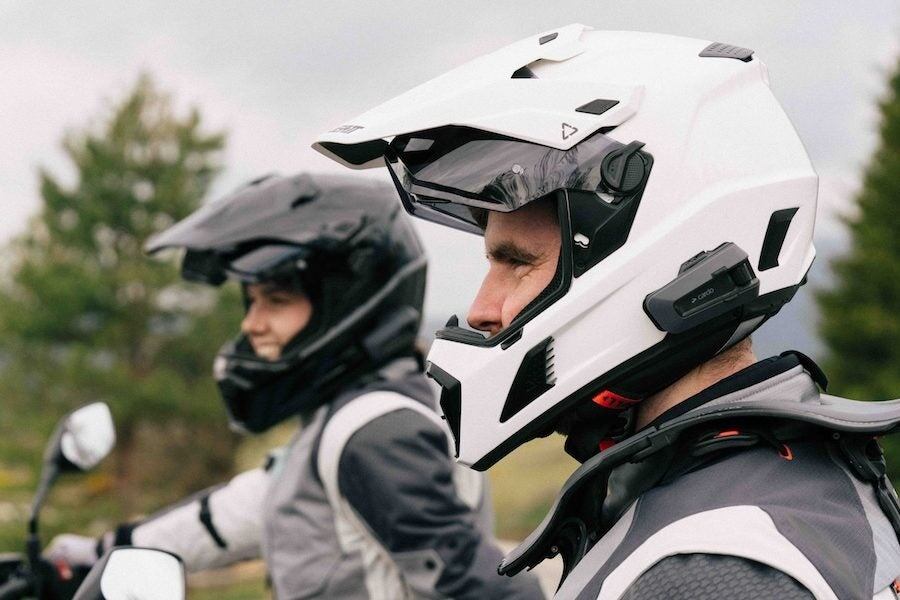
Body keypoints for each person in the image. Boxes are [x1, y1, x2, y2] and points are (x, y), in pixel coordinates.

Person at [313, 25, 900, 599]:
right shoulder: (788, 483)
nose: (482, 309)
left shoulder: (709, 564)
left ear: (661, 254)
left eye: (517, 262)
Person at [47, 173, 545, 599]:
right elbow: (232, 515)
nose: (252, 324)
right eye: (252, 301)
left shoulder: (375, 434)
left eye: (276, 301)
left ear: (345, 304)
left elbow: (482, 586)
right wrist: (98, 553)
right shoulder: (344, 418)